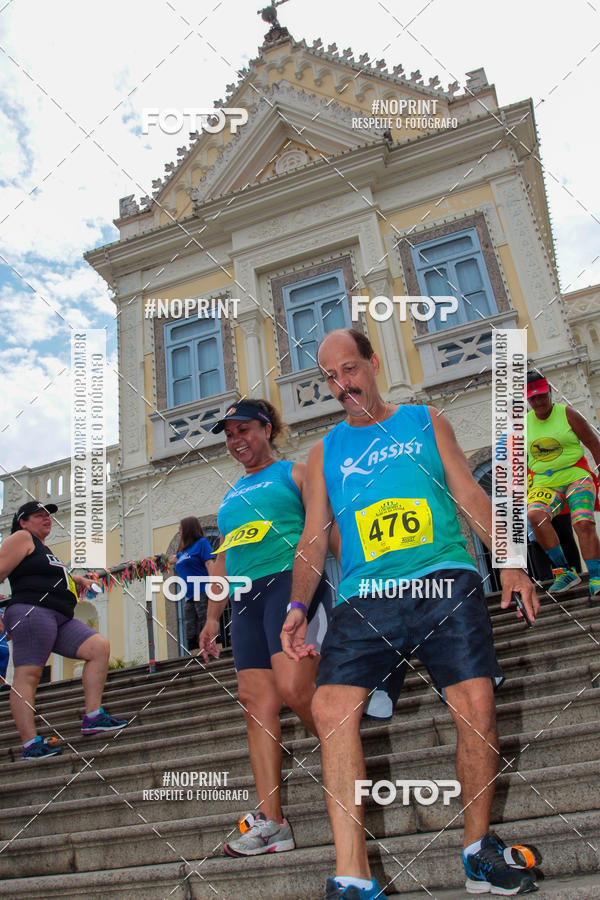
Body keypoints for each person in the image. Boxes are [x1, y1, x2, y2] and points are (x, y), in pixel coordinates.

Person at [281, 329, 540, 898]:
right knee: (329, 708)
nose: (341, 385)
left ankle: (476, 851)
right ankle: (353, 878)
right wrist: (299, 604)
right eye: (329, 377)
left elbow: (472, 497)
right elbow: (313, 537)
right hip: (364, 596)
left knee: (476, 704)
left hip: (442, 578)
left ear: (373, 362)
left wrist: (512, 563)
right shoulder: (323, 452)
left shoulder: (425, 420)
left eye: (349, 369)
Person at [199, 399, 330, 857]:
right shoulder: (229, 497)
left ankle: (344, 760)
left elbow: (325, 532)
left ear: (267, 428)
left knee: (296, 689)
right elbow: (222, 562)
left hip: (289, 584)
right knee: (256, 705)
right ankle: (272, 821)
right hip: (244, 600)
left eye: (244, 430)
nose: (236, 441)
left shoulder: (295, 473)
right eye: (229, 435)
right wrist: (213, 619)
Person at [0, 501, 129, 759]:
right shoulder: (21, 537)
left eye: (48, 515)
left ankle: (93, 716)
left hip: (60, 617)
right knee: (28, 676)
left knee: (98, 647)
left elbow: (55, 575)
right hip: (31, 611)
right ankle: (30, 744)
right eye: (39, 515)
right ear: (23, 521)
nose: (46, 519)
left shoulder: (43, 548)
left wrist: (79, 580)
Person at [526, 369, 600, 596]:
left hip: (576, 477)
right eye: (533, 398)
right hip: (544, 484)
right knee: (534, 517)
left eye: (542, 395)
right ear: (527, 399)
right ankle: (564, 571)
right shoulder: (522, 423)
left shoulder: (567, 414)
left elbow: (592, 442)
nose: (538, 401)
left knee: (582, 523)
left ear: (549, 392)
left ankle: (596, 577)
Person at [168, 517, 215, 653]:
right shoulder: (183, 552)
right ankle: (195, 657)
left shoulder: (202, 543)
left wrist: (215, 586)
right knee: (190, 629)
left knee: (205, 622)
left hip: (203, 590)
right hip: (189, 595)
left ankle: (213, 652)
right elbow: (170, 559)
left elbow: (209, 563)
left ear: (189, 529)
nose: (179, 531)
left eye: (181, 528)